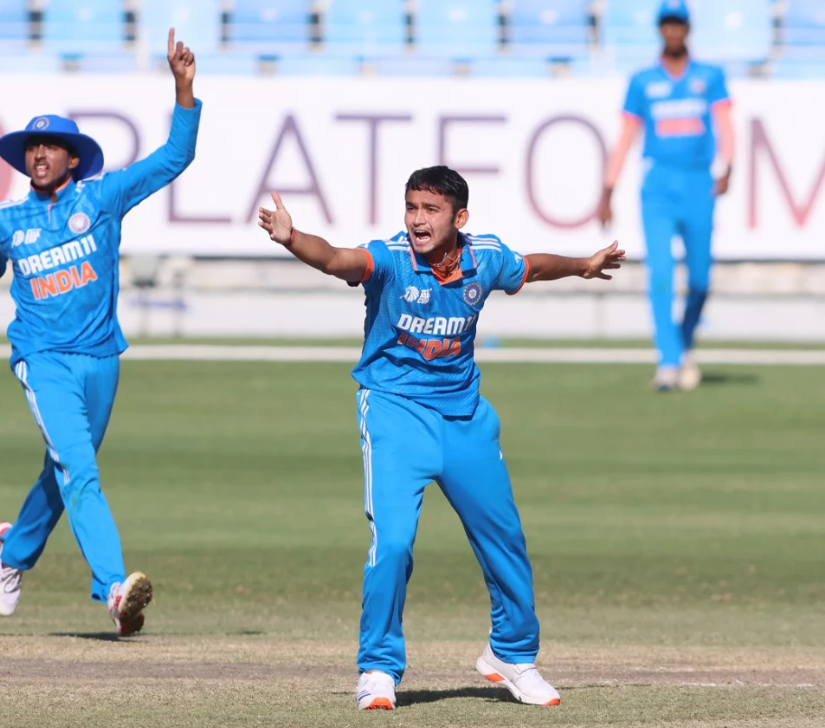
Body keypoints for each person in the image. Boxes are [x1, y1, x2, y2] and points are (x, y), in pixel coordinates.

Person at [257, 165, 625, 710]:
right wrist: (292, 238)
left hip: (465, 418)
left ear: (460, 218)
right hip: (394, 413)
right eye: (411, 208)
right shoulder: (390, 259)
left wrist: (584, 265)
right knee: (395, 544)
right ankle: (378, 668)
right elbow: (337, 260)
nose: (417, 220)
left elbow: (535, 266)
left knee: (504, 540)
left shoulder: (485, 259)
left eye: (430, 210)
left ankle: (512, 655)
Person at [0, 30, 202, 636]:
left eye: (52, 147)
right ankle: (113, 588)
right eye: (33, 148)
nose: (40, 155)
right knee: (80, 471)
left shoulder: (104, 197)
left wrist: (184, 90)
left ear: (73, 158)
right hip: (42, 358)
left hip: (101, 358)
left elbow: (173, 159)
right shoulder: (8, 221)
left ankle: (11, 552)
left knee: (62, 476)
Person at [598, 0, 736, 391]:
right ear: (660, 29)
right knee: (659, 274)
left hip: (697, 183)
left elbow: (725, 123)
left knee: (701, 279)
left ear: (687, 28)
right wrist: (608, 189)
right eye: (667, 24)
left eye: (679, 24)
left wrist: (729, 166)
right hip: (658, 185)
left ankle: (682, 341)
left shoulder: (709, 76)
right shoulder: (643, 81)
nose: (673, 31)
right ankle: (669, 361)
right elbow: (625, 136)